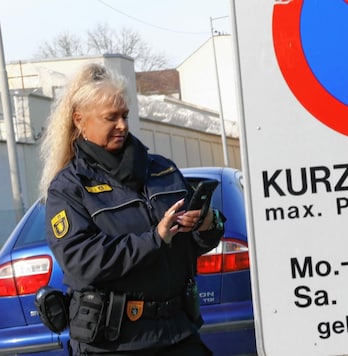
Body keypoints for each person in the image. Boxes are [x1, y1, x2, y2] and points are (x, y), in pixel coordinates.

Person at [39, 63, 225, 355]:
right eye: (110, 118)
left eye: (124, 116)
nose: (122, 125)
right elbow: (82, 261)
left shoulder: (162, 169)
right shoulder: (69, 188)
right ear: (80, 121)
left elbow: (195, 242)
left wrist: (207, 224)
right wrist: (154, 239)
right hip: (116, 343)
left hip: (178, 333)